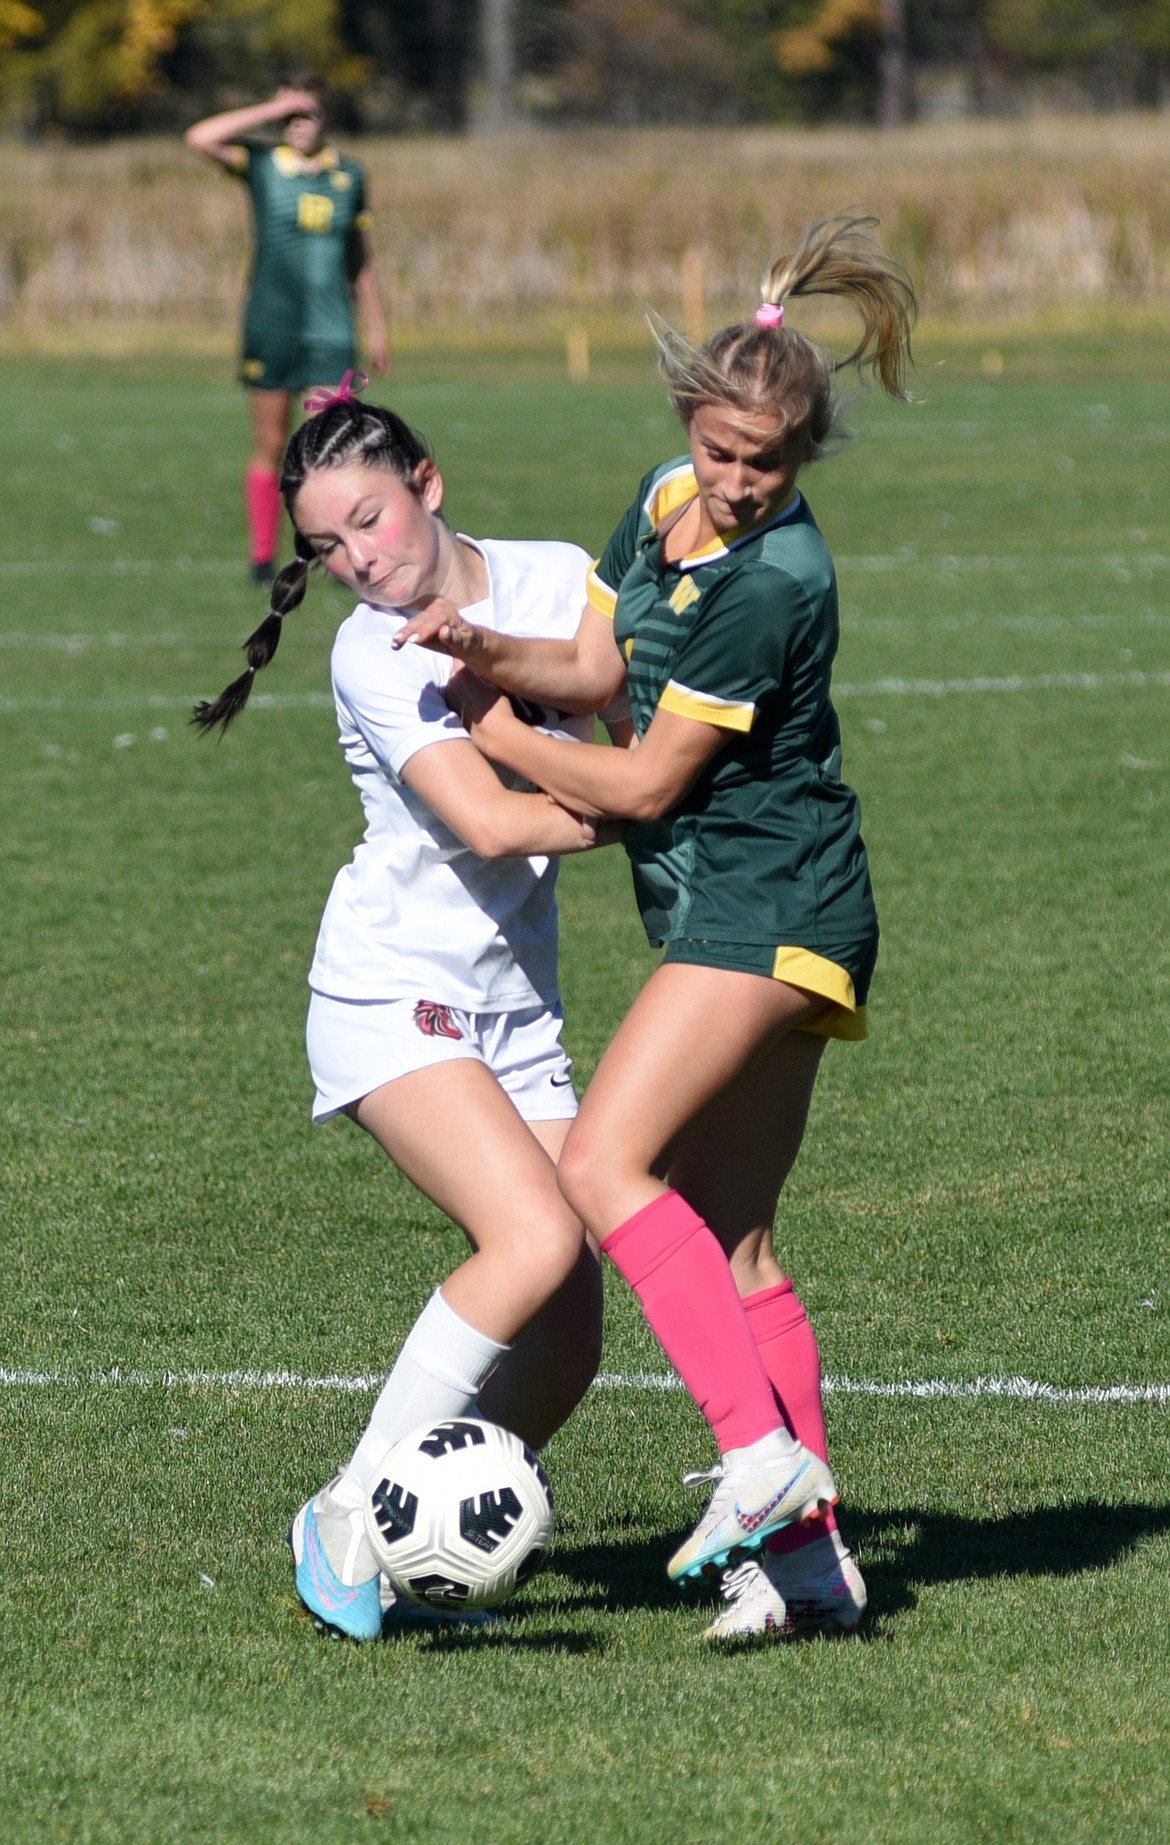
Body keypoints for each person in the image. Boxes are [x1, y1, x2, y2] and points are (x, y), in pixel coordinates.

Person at [394, 215, 918, 1640]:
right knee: (733, 1239)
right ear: (689, 423)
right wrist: (485, 649)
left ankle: (757, 1462)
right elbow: (599, 663)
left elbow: (638, 779)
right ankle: (810, 1568)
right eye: (721, 450)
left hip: (772, 898)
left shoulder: (773, 581)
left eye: (768, 463)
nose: (739, 483)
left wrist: (497, 727)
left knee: (606, 1170)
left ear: (804, 457)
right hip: (762, 896)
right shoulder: (663, 496)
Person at [193, 381, 629, 1641]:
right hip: (392, 995)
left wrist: (650, 759)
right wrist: (640, 803)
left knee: (569, 1337)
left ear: (428, 483)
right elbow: (492, 819)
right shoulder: (368, 650)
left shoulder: (555, 582)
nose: (359, 561)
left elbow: (622, 705)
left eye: (372, 521)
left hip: (513, 1014)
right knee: (532, 1242)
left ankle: (434, 1520)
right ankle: (349, 1512)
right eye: (330, 546)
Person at [185, 78, 389, 586]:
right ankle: (262, 557)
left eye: (307, 114)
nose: (296, 125)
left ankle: (340, 556)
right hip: (271, 325)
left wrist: (377, 324)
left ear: (326, 118)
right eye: (287, 118)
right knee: (272, 442)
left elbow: (359, 258)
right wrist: (269, 105)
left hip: (331, 330)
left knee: (334, 450)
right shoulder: (260, 166)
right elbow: (199, 137)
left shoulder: (348, 175)